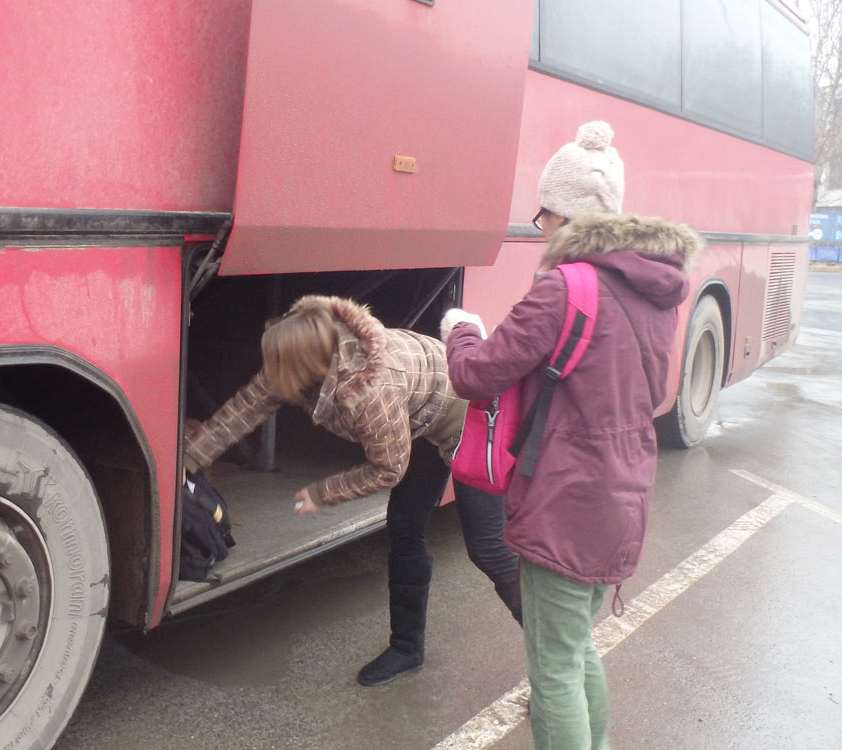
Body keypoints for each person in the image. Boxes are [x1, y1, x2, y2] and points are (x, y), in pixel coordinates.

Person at [442, 121, 702, 750]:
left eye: (543, 214)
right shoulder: (657, 293)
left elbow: (474, 376)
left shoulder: (564, 287)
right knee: (575, 644)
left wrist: (461, 327)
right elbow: (651, 392)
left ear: (567, 216)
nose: (540, 228)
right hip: (625, 493)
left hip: (567, 498)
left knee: (553, 664)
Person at [183, 294, 523, 687]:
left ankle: (556, 663)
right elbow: (245, 408)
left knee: (488, 549)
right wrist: (188, 462)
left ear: (307, 364)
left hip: (469, 415)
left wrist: (323, 493)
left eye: (277, 364)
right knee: (404, 528)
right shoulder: (303, 357)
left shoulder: (369, 388)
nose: (269, 371)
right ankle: (406, 649)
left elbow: (388, 469)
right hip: (419, 418)